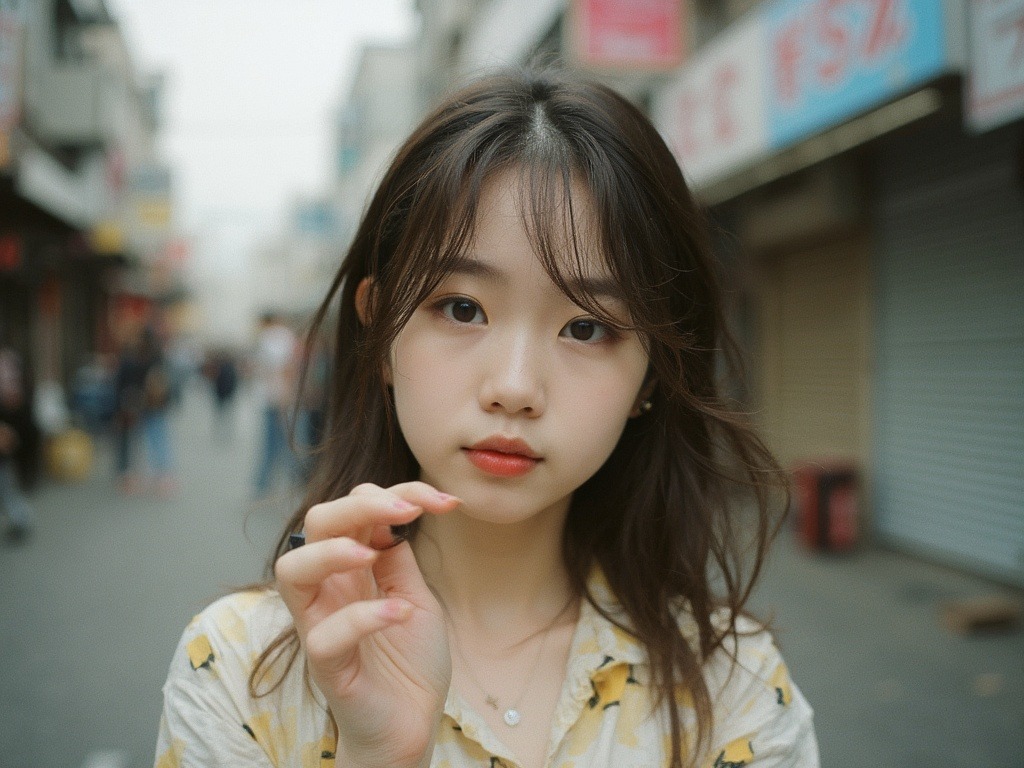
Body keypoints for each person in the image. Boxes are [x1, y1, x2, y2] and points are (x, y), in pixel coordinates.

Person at [155, 69, 819, 768]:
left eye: (587, 327)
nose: (514, 388)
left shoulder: (735, 689)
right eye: (463, 308)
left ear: (652, 373)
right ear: (382, 332)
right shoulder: (238, 672)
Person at [114, 325, 176, 496]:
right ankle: (151, 476)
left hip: (143, 406)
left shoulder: (137, 358)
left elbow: (121, 383)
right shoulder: (152, 358)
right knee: (150, 440)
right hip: (143, 407)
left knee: (145, 440)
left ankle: (143, 476)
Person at [251, 312, 300, 497]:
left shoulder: (271, 338)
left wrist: (281, 394)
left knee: (272, 443)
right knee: (283, 442)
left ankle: (263, 484)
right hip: (282, 399)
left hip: (274, 399)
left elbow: (279, 369)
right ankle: (289, 481)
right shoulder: (284, 337)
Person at [0, 343, 37, 542]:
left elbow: (15, 403)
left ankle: (21, 520)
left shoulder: (8, 366)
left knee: (7, 484)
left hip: (11, 437)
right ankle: (19, 519)